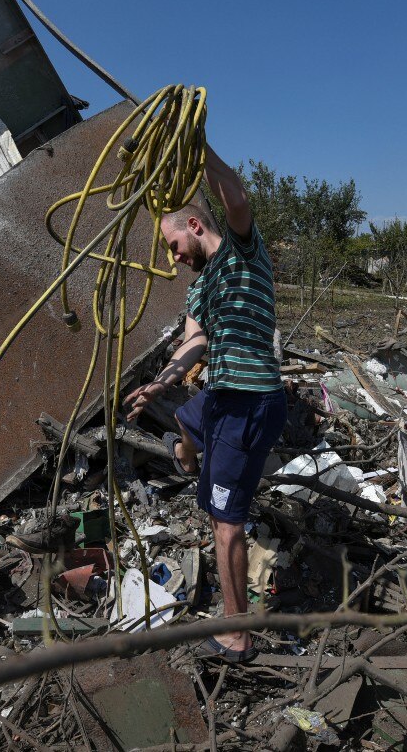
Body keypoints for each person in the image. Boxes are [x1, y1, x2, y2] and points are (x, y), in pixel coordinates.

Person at [125, 145, 287, 663]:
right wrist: (163, 380)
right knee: (183, 419)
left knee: (226, 524)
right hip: (220, 398)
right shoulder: (200, 293)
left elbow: (235, 195)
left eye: (173, 245)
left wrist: (198, 148)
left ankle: (237, 635)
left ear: (195, 225)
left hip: (249, 401)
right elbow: (193, 343)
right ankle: (190, 455)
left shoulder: (242, 250)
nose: (174, 259)